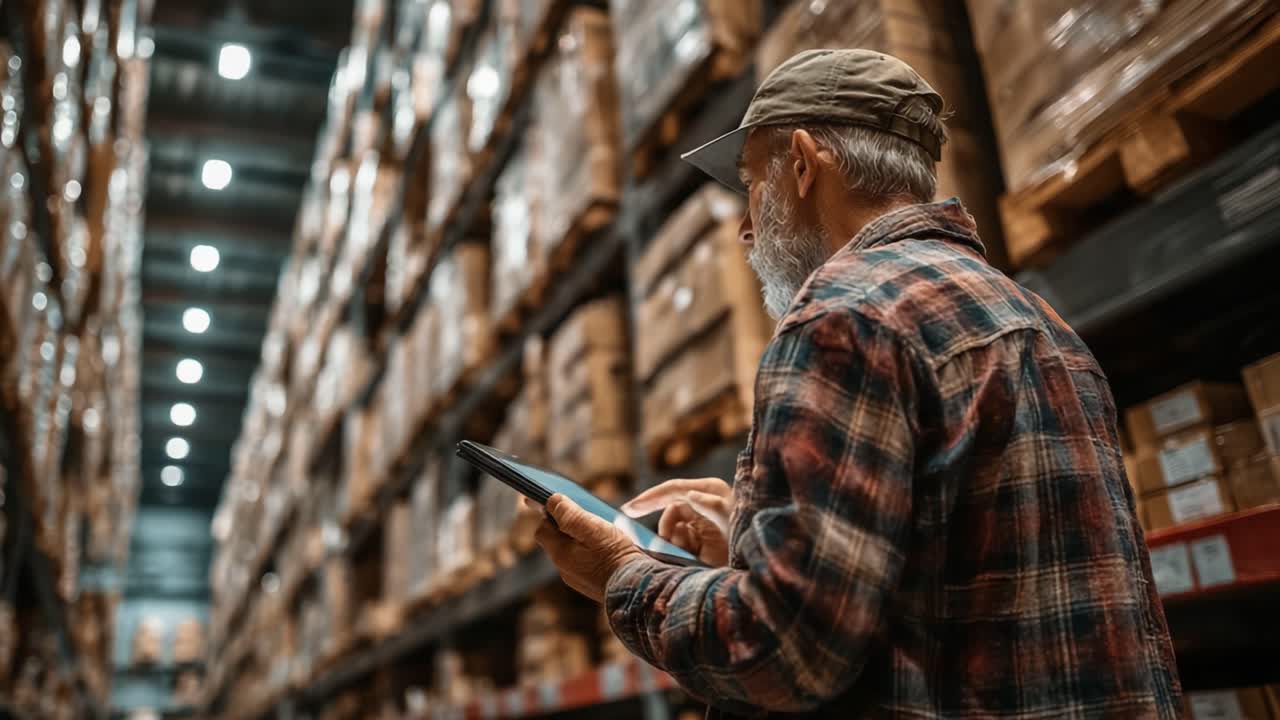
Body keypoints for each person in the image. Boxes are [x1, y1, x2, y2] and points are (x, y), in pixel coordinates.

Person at [532, 49, 1182, 718]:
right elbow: (964, 590)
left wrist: (623, 570)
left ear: (807, 164)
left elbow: (781, 654)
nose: (747, 229)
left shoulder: (845, 314)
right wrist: (754, 547)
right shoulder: (1040, 322)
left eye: (755, 184)